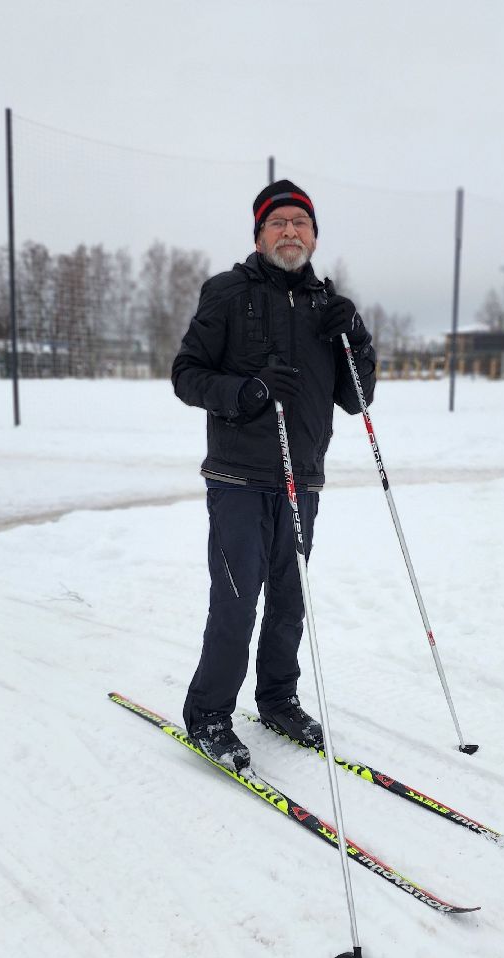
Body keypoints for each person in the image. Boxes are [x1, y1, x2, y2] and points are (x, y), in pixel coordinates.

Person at [171, 179, 376, 772]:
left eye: (300, 223)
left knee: (289, 600)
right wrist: (249, 390)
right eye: (278, 223)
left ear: (314, 236)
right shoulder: (227, 293)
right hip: (238, 478)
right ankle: (210, 713)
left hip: (302, 479)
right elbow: (187, 375)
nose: (290, 232)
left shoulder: (326, 307)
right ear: (259, 236)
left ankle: (278, 700)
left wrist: (356, 336)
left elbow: (356, 398)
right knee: (237, 602)